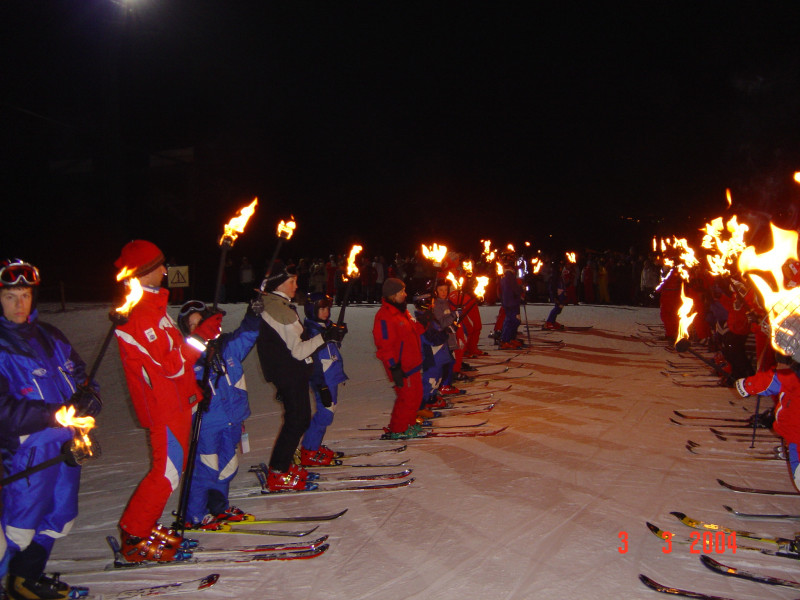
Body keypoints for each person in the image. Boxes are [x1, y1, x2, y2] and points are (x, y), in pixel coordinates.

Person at [114, 240, 222, 562]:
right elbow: (172, 365)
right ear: (143, 272)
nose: (164, 270)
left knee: (171, 470)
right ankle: (134, 535)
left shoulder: (155, 309)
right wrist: (200, 336)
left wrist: (194, 390)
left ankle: (144, 525)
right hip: (163, 406)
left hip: (176, 401)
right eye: (158, 266)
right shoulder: (139, 315)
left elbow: (178, 357)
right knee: (167, 473)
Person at [0, 259, 101, 599]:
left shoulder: (51, 335)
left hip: (67, 446)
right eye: (10, 296)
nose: (19, 304)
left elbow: (81, 377)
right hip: (27, 451)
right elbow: (3, 411)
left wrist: (90, 398)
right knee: (18, 527)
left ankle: (25, 579)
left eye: (25, 295)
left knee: (59, 515)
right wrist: (53, 414)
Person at [256, 263, 346, 491]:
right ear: (279, 284)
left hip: (290, 372)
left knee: (300, 419)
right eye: (292, 281)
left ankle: (283, 466)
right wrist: (325, 337)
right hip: (289, 372)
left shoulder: (280, 305)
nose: (296, 286)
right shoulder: (279, 310)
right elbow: (298, 350)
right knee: (297, 420)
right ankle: (278, 472)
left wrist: (328, 335)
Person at [177, 300, 260, 529]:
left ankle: (218, 506)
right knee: (206, 468)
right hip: (207, 424)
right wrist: (194, 391)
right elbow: (175, 385)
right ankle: (194, 515)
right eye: (192, 325)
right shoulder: (186, 358)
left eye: (201, 322)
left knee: (228, 466)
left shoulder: (226, 347)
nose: (199, 328)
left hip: (233, 418)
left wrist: (253, 316)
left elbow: (248, 334)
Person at [372, 278, 426, 439]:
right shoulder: (385, 316)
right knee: (407, 398)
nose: (405, 294)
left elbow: (414, 330)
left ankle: (409, 423)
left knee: (416, 396)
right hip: (401, 367)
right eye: (402, 291)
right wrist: (393, 367)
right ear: (393, 295)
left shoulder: (402, 311)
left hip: (413, 363)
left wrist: (425, 322)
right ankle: (398, 429)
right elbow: (384, 346)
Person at [299, 293, 348, 466]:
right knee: (325, 414)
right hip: (323, 379)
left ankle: (314, 445)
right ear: (312, 310)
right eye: (321, 309)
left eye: (327, 308)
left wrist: (338, 334)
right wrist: (321, 386)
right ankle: (309, 450)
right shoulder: (312, 332)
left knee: (329, 412)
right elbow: (314, 361)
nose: (326, 312)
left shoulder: (325, 327)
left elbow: (331, 346)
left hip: (331, 376)